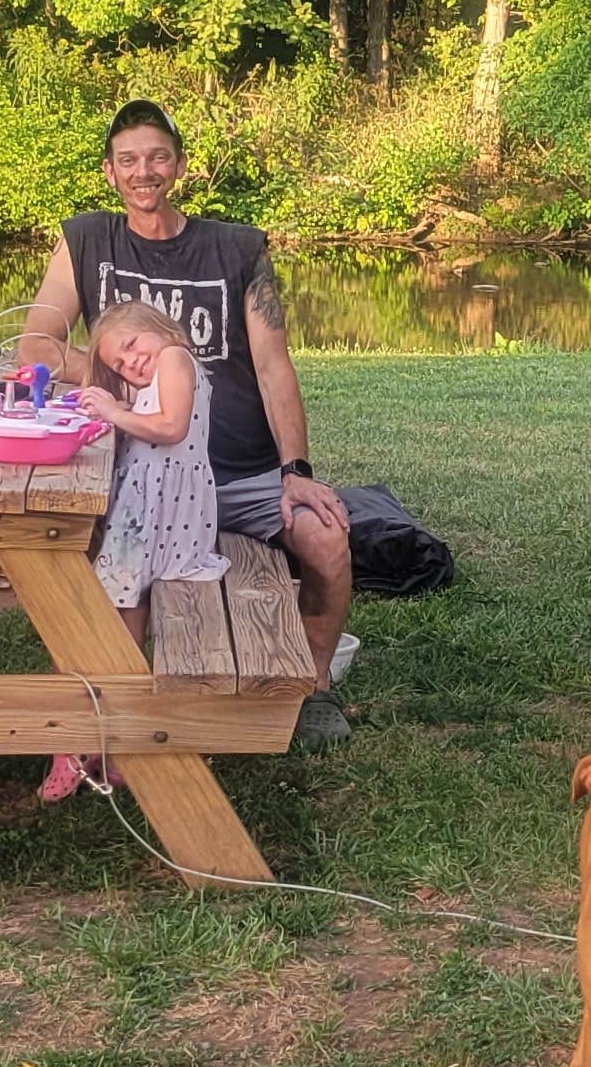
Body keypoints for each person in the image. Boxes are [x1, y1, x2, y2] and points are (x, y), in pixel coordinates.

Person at [19, 102, 356, 688]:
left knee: (328, 543)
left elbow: (275, 367)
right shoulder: (86, 240)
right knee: (68, 547)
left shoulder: (239, 248)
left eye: (156, 158)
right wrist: (125, 387)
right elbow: (36, 348)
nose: (142, 171)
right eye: (128, 160)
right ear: (109, 171)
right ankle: (102, 708)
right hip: (135, 477)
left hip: (240, 474)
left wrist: (295, 470)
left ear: (178, 167)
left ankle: (312, 686)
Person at [37, 297, 222, 805]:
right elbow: (144, 423)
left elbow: (171, 428)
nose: (132, 362)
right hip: (150, 518)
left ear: (160, 329)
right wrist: (101, 412)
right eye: (120, 362)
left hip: (155, 521)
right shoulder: (157, 371)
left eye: (133, 346)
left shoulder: (176, 359)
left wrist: (116, 412)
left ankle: (75, 742)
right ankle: (112, 742)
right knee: (122, 622)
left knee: (97, 622)